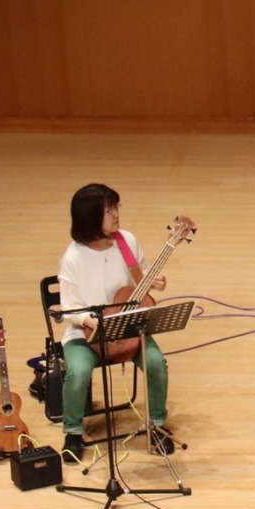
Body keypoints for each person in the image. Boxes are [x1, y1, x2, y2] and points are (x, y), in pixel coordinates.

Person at [56, 183, 175, 464]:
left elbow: (140, 276)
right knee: (78, 372)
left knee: (156, 363)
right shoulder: (72, 258)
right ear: (90, 217)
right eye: (109, 211)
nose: (116, 214)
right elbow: (68, 308)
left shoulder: (127, 241)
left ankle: (157, 425)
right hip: (86, 332)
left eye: (116, 208)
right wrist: (94, 322)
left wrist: (154, 281)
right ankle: (73, 432)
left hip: (128, 326)